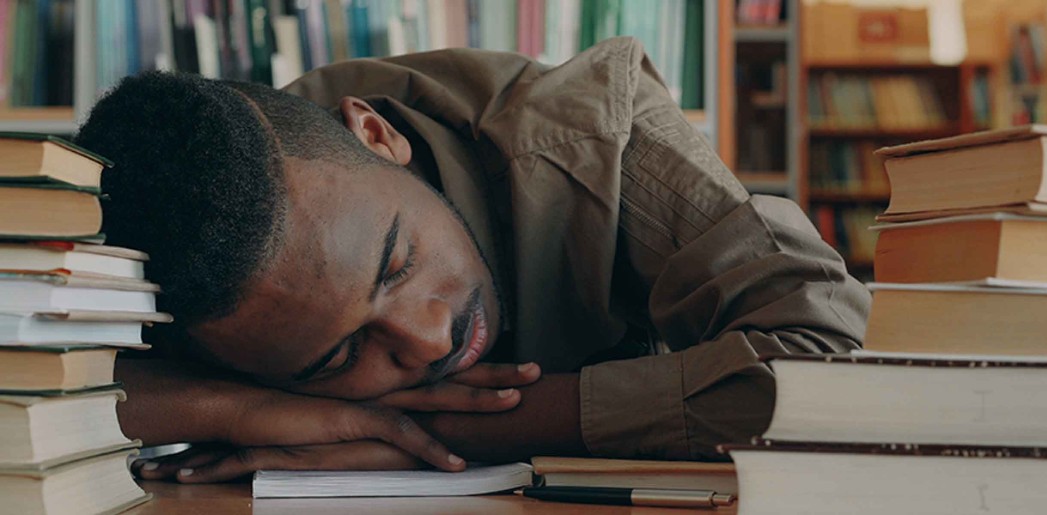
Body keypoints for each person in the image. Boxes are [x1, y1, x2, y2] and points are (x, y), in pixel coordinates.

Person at [74, 38, 871, 483]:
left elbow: (849, 370)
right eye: (341, 356)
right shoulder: (202, 263)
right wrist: (241, 413)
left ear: (377, 135)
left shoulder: (594, 133)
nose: (426, 340)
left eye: (396, 263)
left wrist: (447, 424)